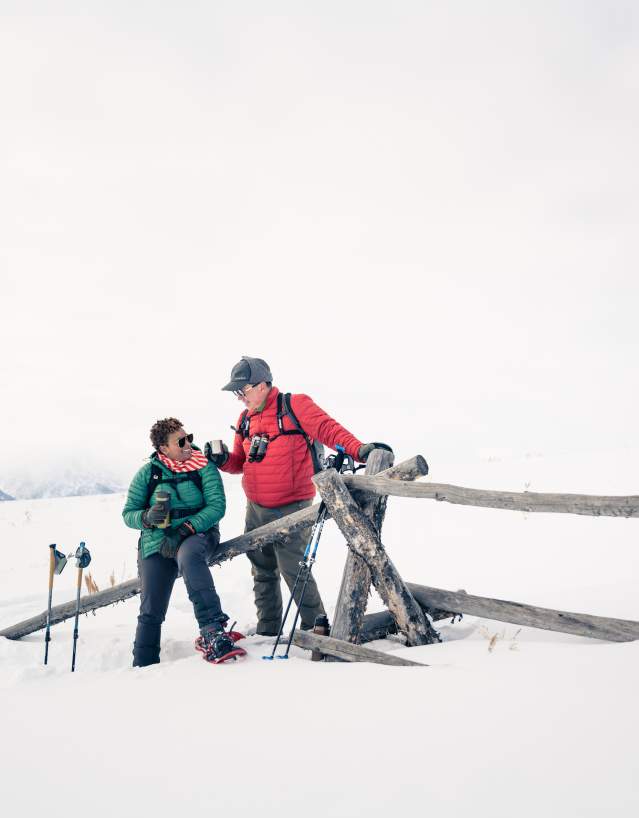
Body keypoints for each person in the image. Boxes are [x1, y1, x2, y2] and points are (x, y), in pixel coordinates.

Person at [207, 356, 391, 637]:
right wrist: (221, 460)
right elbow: (239, 462)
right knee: (261, 568)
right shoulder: (245, 419)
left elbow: (329, 430)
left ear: (263, 384)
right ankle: (268, 629)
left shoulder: (295, 405)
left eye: (243, 390)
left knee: (293, 567)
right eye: (237, 393)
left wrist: (359, 450)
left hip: (292, 506)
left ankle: (316, 626)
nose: (240, 398)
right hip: (255, 506)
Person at [123, 417, 234, 666]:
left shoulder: (203, 466)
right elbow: (128, 514)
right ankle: (143, 664)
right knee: (151, 606)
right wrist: (147, 518)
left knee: (189, 556)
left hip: (198, 533)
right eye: (181, 441)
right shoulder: (148, 474)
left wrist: (186, 528)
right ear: (163, 448)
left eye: (189, 438)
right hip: (157, 540)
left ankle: (212, 631)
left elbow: (217, 506)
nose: (188, 444)